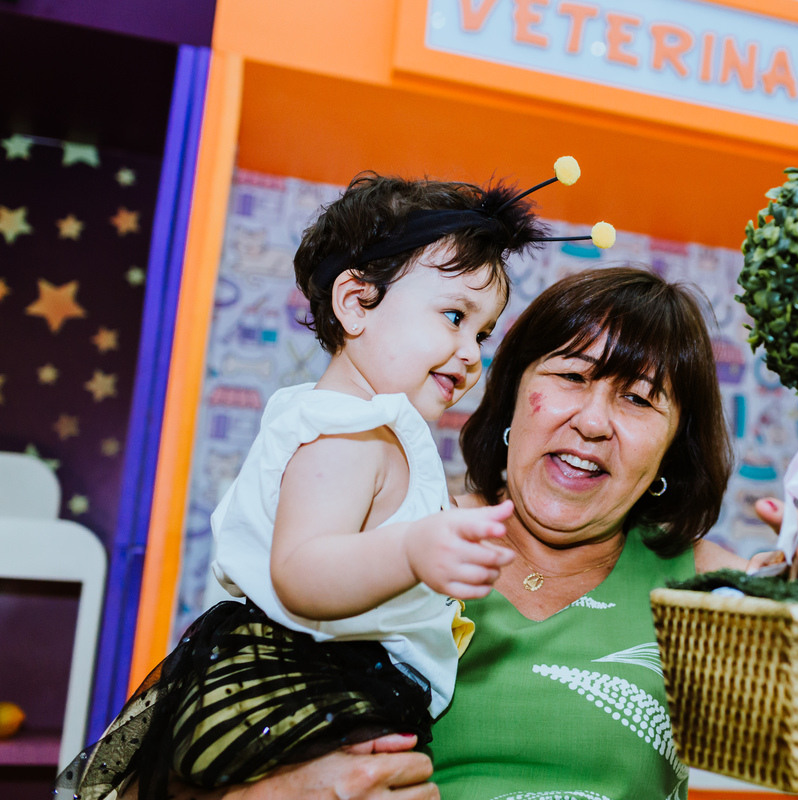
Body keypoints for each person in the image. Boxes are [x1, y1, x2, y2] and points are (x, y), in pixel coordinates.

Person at [137, 267, 798, 800]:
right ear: (513, 397)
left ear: (671, 445)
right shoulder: (381, 537)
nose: (594, 420)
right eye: (571, 377)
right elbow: (180, 746)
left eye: (639, 400)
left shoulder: (700, 594)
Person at [63, 173, 565, 800]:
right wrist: (414, 551)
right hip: (304, 685)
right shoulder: (347, 433)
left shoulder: (374, 429)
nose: (470, 353)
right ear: (355, 303)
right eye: (454, 316)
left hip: (335, 684)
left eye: (482, 333)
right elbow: (302, 571)